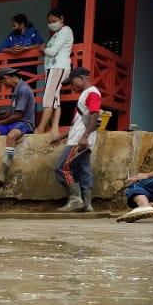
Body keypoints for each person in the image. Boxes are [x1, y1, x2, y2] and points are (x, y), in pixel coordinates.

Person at [49, 67, 100, 213]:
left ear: (82, 78)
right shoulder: (86, 95)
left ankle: (75, 200)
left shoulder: (91, 93)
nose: (72, 87)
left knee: (61, 168)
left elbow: (94, 115)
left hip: (79, 140)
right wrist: (61, 136)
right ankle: (87, 204)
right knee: (82, 170)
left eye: (73, 83)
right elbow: (79, 122)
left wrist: (84, 137)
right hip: (80, 138)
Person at [0, 67, 35, 185]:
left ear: (6, 78)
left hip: (24, 123)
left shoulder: (23, 89)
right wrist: (8, 113)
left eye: (2, 82)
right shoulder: (15, 89)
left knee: (11, 136)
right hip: (13, 122)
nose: (4, 85)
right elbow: (16, 111)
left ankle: (2, 173)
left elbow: (18, 116)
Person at [38, 11, 74, 135]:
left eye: (54, 21)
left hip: (58, 68)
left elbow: (52, 52)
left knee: (48, 97)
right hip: (52, 69)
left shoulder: (66, 31)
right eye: (49, 22)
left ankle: (40, 128)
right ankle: (54, 129)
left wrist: (43, 49)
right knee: (55, 99)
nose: (52, 24)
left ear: (61, 18)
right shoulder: (56, 34)